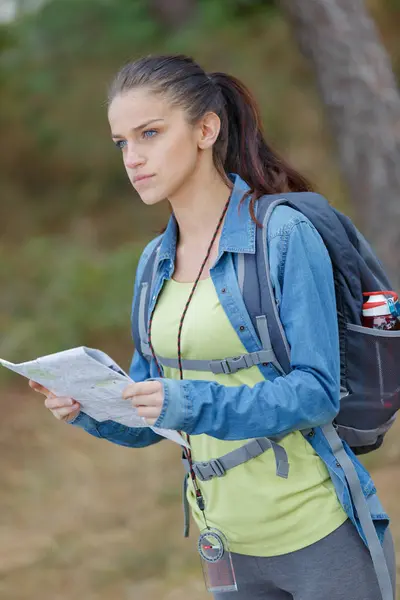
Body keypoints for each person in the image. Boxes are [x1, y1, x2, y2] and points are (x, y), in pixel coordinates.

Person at [29, 54, 396, 599]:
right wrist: (90, 409)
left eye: (149, 133)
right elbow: (151, 418)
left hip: (318, 532)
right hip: (225, 543)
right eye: (122, 143)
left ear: (206, 129)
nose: (133, 158)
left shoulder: (283, 235)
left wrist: (187, 401)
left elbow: (317, 393)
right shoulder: (154, 262)